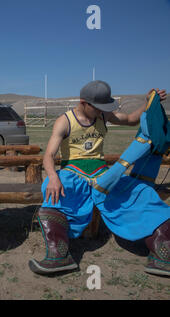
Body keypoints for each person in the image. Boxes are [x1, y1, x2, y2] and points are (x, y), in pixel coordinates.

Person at [29, 80, 169, 276]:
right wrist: (52, 176)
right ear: (83, 102)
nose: (101, 111)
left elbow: (130, 119)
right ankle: (58, 256)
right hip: (73, 172)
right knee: (52, 190)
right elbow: (49, 155)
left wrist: (148, 103)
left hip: (103, 174)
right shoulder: (65, 121)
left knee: (139, 191)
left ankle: (163, 253)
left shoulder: (103, 115)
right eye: (97, 107)